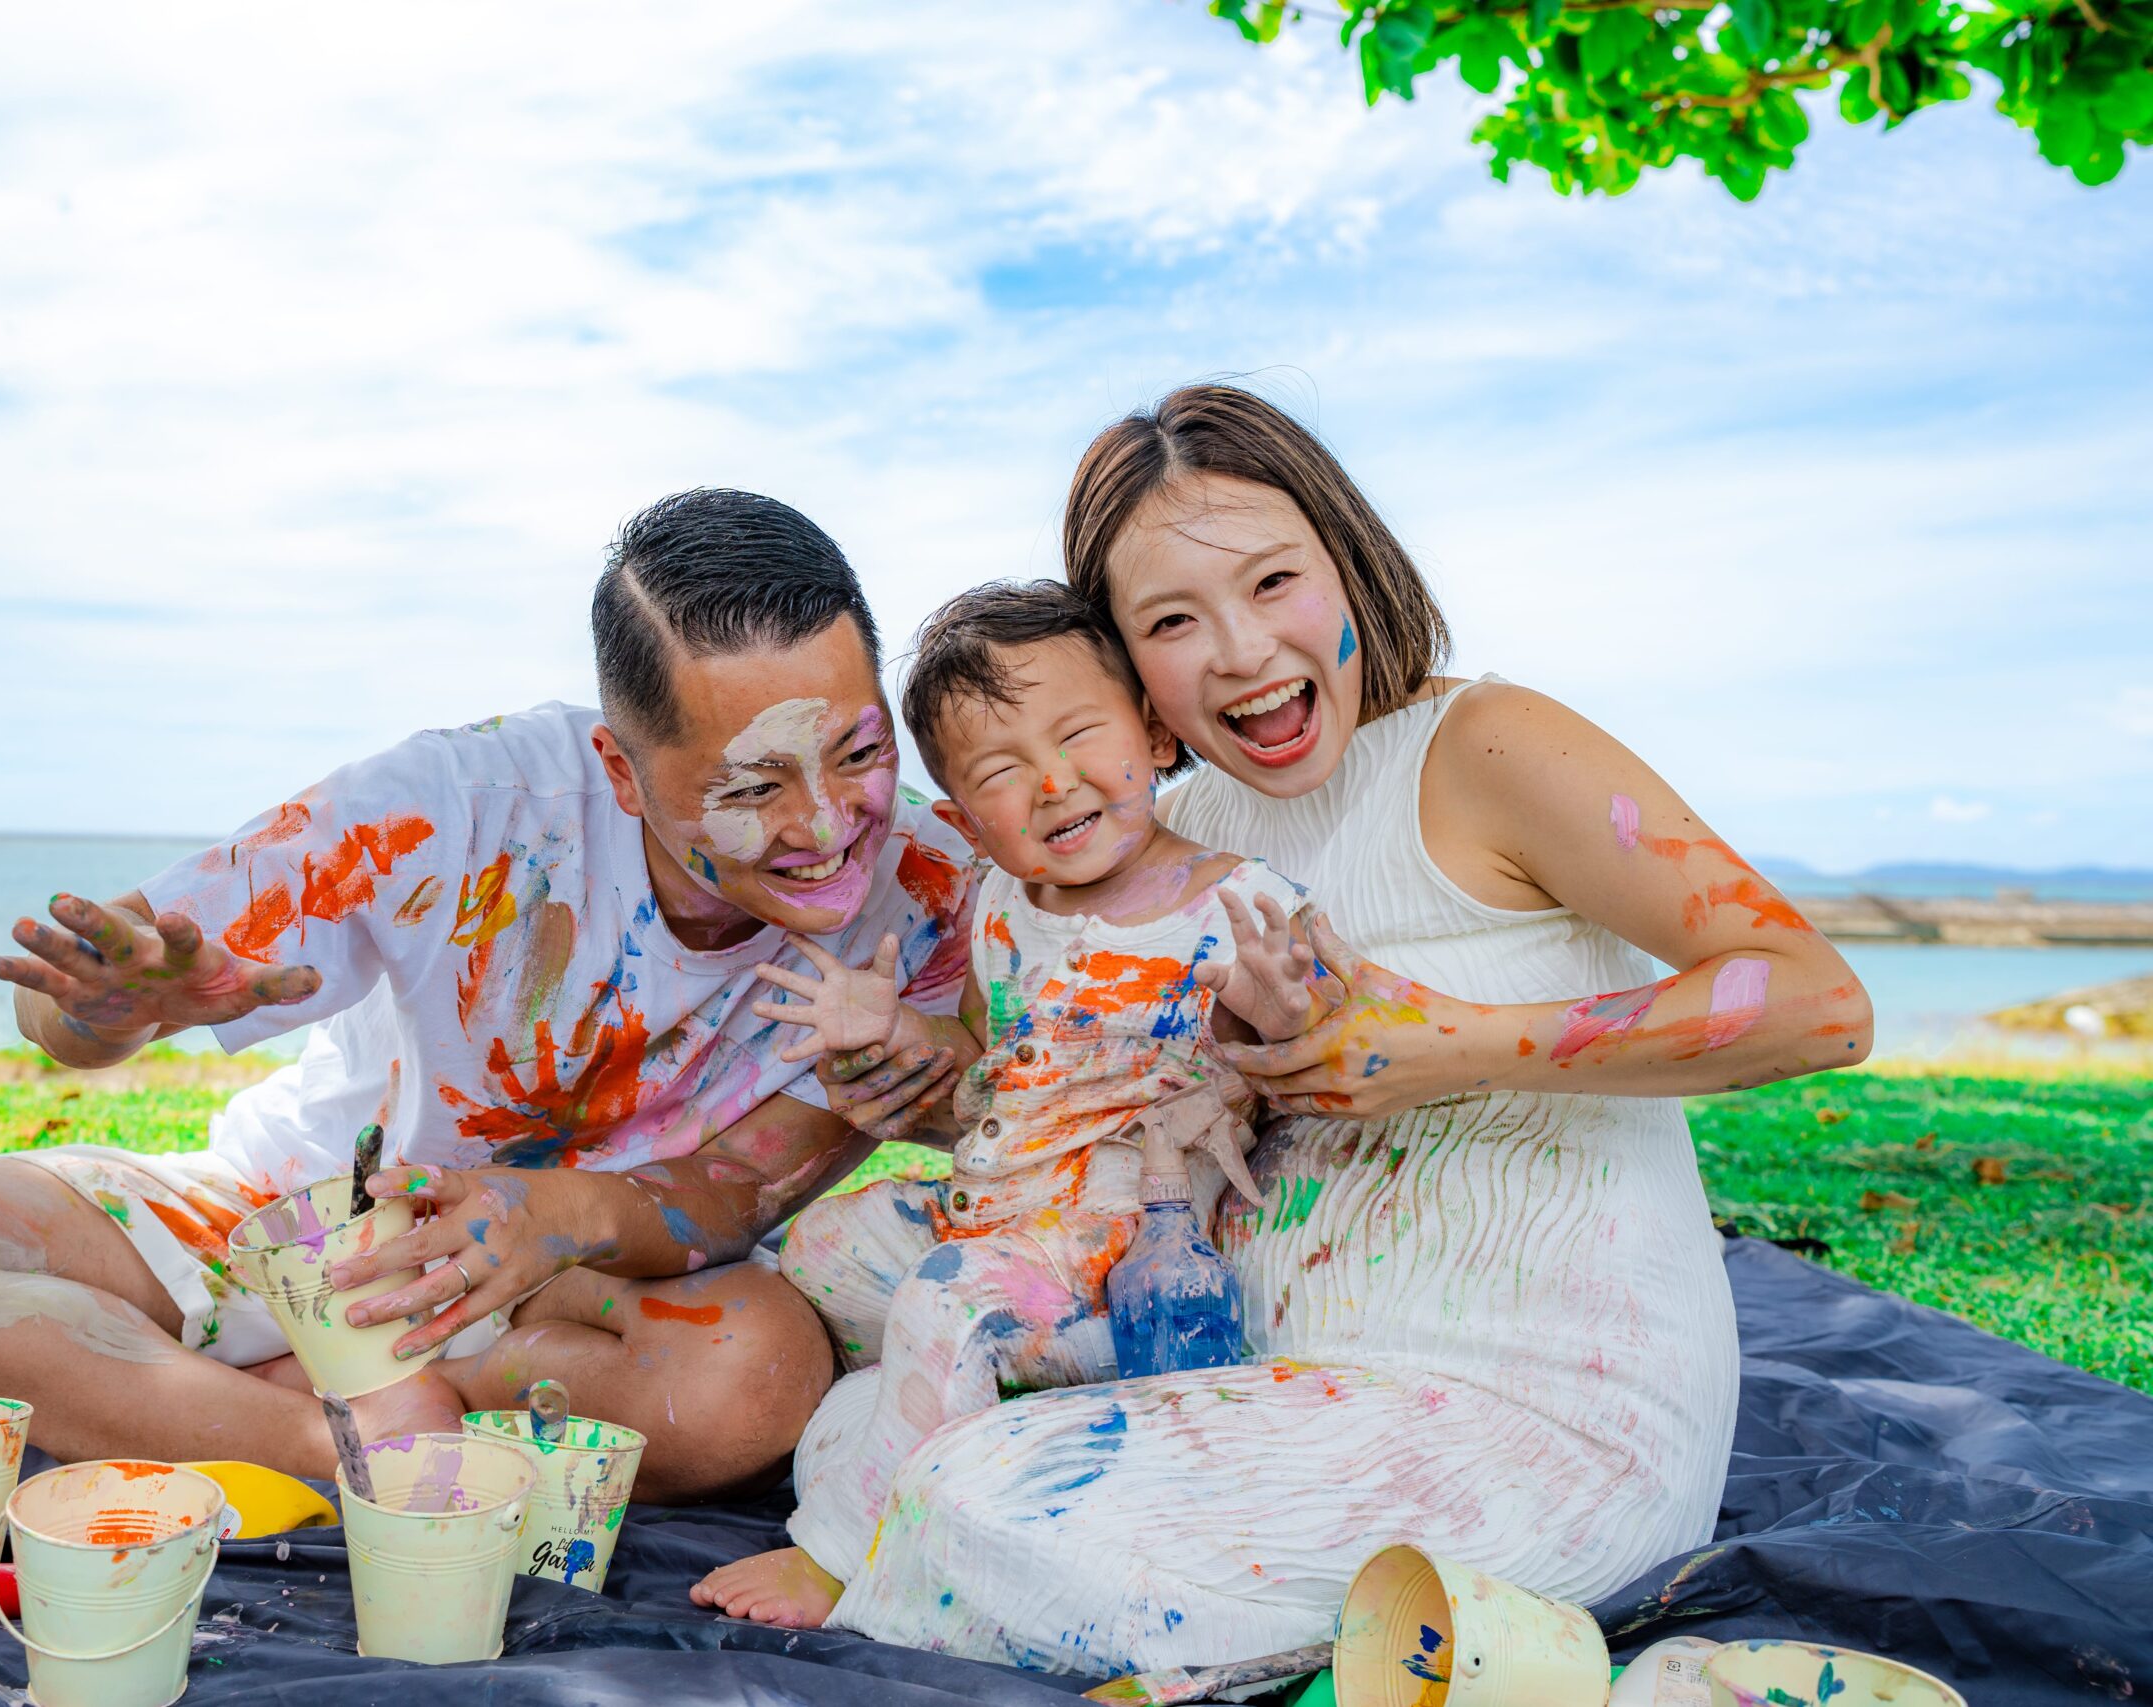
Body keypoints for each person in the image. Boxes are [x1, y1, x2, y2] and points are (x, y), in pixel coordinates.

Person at [776, 385, 1877, 1674]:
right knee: (848, 1267)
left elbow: (1816, 1000)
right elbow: (1080, 1097)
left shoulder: (1484, 747)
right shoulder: (1194, 841)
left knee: (968, 1499)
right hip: (1246, 1357)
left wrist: (1449, 1044)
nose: (1240, 651)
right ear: (1127, 668)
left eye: (1273, 582)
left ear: (1347, 564)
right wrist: (934, 1087)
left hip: (1515, 1428)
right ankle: (956, 1471)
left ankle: (935, 1512)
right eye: (1174, 620)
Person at [0, 490, 977, 1501]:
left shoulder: (928, 899)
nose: (825, 827)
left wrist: (556, 1215)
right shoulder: (452, 804)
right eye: (752, 783)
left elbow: (729, 1190)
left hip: (567, 1302)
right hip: (287, 1227)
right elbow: (66, 1014)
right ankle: (334, 1448)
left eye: (861, 752)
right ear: (619, 764)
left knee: (756, 1375)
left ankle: (255, 1422)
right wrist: (118, 1010)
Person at [691, 580, 1320, 1628]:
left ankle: (843, 1553)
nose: (1051, 782)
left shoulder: (1236, 904)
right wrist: (890, 1031)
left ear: (1158, 736)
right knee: (823, 1248)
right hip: (990, 1216)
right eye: (999, 772)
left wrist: (1284, 1011)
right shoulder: (1001, 908)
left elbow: (1299, 1054)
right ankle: (947, 1408)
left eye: (1079, 736)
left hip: (1119, 1265)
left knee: (943, 1302)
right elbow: (984, 1059)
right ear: (964, 821)